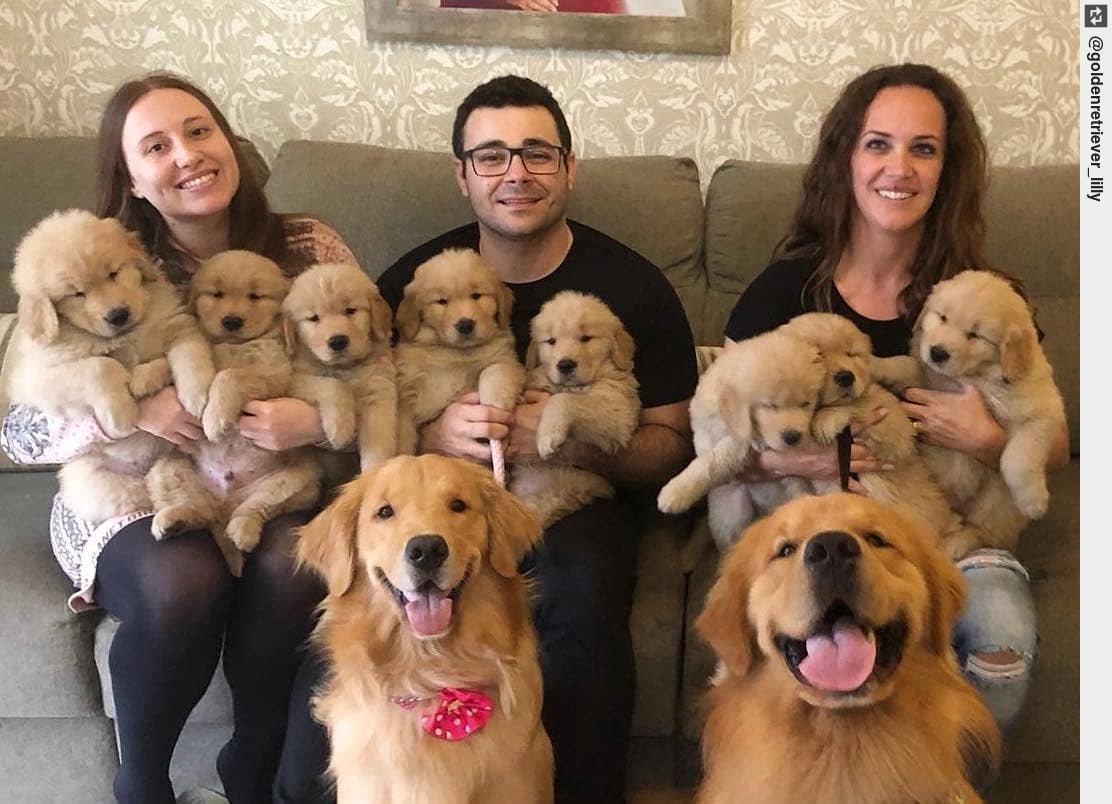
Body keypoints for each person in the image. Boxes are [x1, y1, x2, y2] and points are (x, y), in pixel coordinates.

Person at [0, 72, 357, 804]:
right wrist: (135, 411)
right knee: (182, 580)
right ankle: (143, 787)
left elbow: (379, 366)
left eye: (199, 131)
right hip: (134, 479)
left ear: (230, 140)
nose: (188, 154)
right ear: (130, 178)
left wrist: (318, 419)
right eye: (156, 146)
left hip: (268, 468)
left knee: (292, 567)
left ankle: (249, 774)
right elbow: (19, 431)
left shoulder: (308, 242)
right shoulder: (92, 259)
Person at [375, 74, 697, 804]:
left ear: (569, 167)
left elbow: (672, 445)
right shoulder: (417, 279)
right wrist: (431, 430)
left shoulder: (634, 286)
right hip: (440, 504)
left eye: (537, 154)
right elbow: (371, 399)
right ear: (461, 175)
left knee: (577, 586)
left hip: (579, 503)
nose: (515, 173)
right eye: (490, 156)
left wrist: (559, 444)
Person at [722, 62, 1070, 735]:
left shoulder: (981, 296)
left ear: (947, 170)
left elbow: (1052, 439)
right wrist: (809, 465)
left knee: (999, 647)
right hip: (804, 538)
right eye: (878, 144)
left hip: (950, 535)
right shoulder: (784, 289)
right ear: (846, 159)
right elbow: (716, 435)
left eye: (924, 148)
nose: (899, 167)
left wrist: (990, 439)